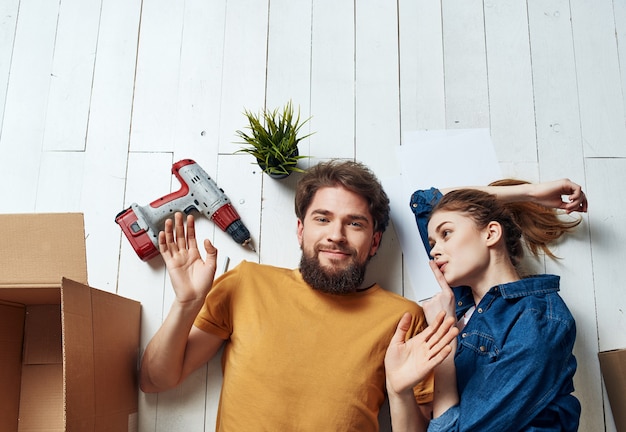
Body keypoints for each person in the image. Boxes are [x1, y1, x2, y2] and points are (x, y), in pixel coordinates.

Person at [139, 159, 458, 431]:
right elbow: (154, 381)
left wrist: (400, 393)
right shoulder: (246, 283)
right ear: (301, 230)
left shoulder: (403, 320)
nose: (336, 235)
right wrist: (187, 304)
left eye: (355, 223)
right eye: (322, 219)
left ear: (374, 243)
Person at [384, 178, 588, 432]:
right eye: (433, 243)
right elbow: (424, 200)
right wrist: (529, 193)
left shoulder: (538, 322)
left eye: (446, 234)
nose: (435, 251)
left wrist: (446, 339)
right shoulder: (462, 303)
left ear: (491, 233)